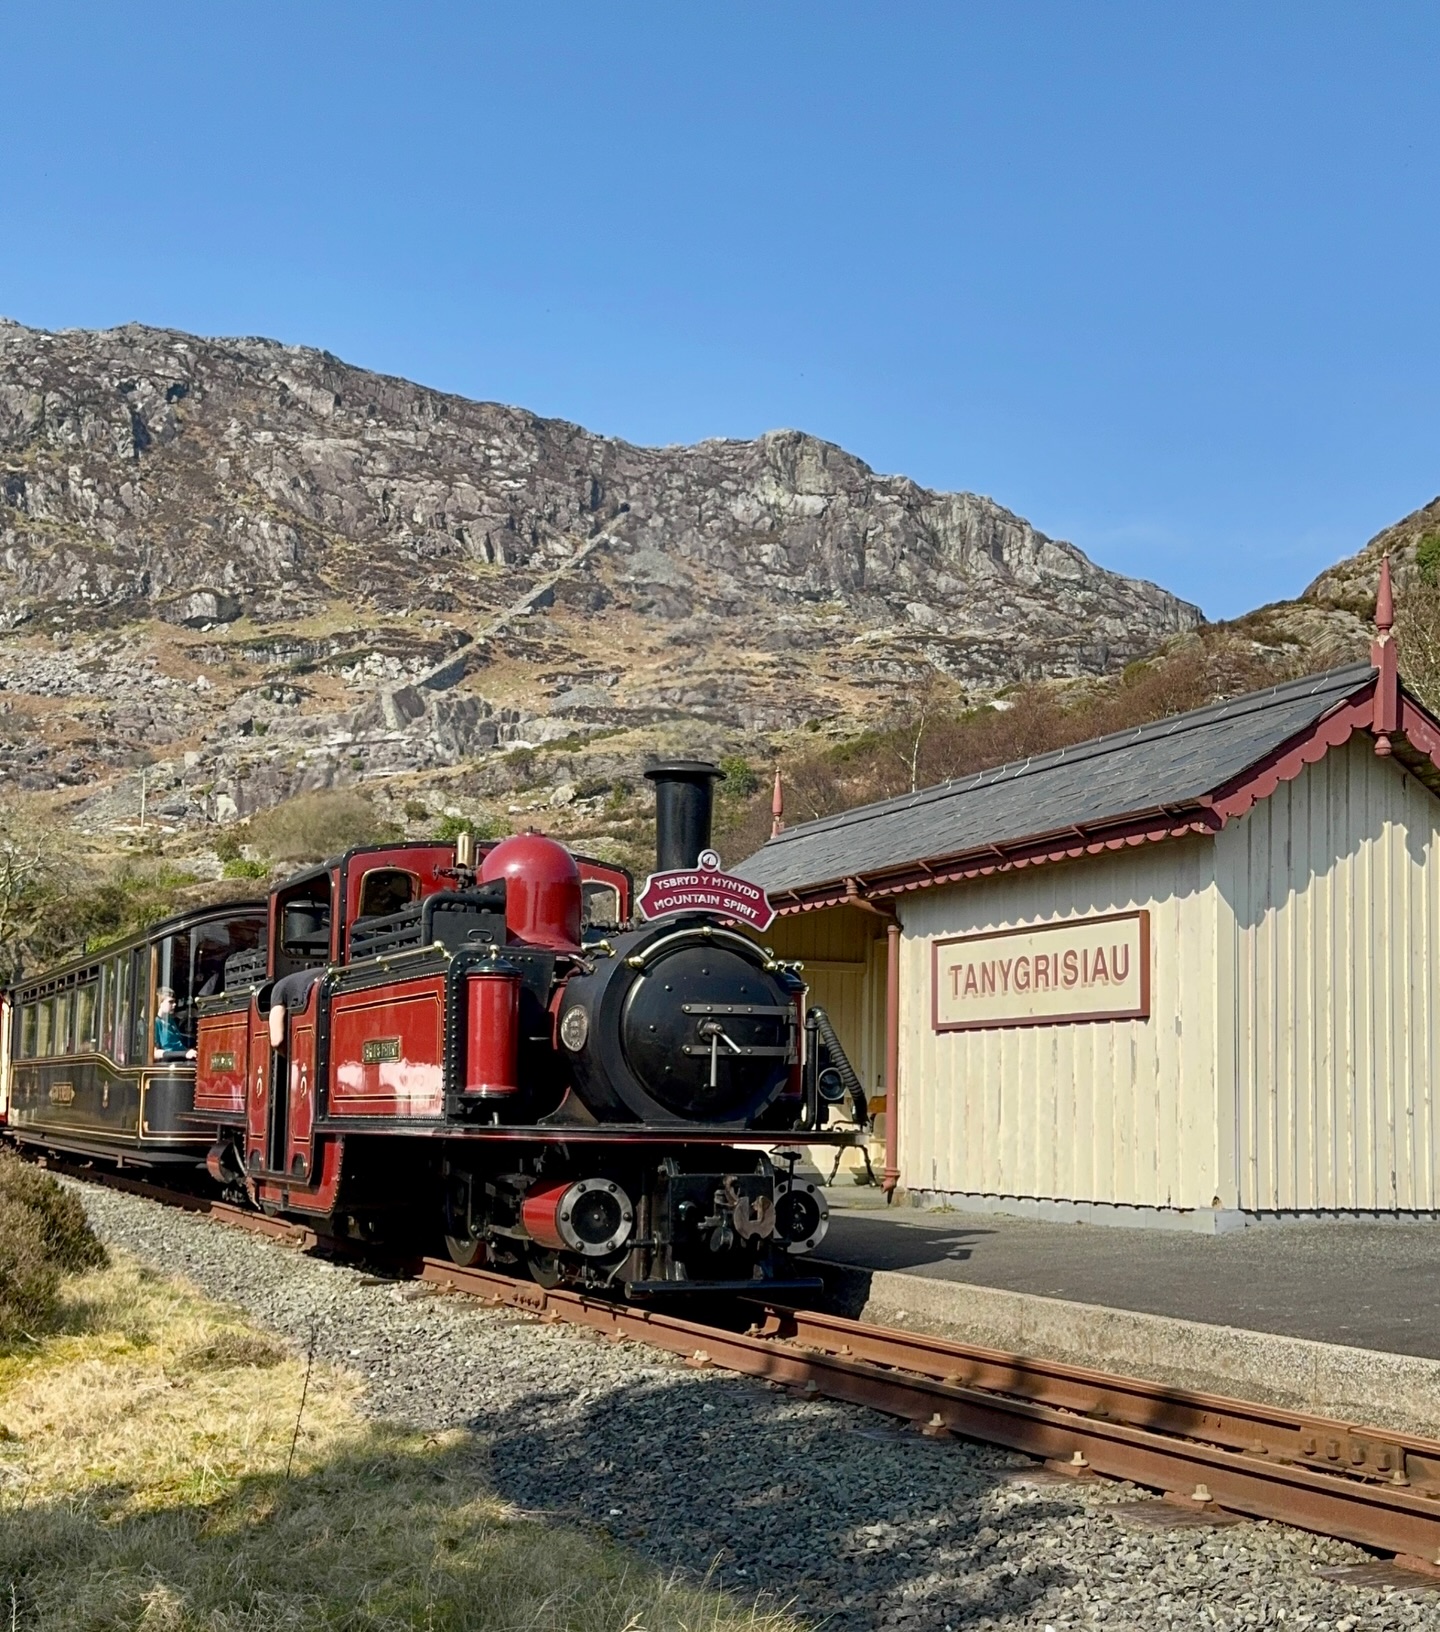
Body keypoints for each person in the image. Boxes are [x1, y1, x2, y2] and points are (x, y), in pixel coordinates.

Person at [153, 987, 196, 1061]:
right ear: (160, 1002)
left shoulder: (171, 1021)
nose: (175, 1004)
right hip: (170, 1061)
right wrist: (184, 1054)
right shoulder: (156, 1023)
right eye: (170, 1002)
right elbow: (155, 1053)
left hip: (182, 1058)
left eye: (174, 1002)